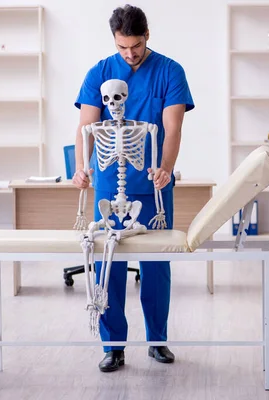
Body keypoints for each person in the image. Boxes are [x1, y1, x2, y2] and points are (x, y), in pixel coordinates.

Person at [72, 4, 194, 372]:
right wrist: (81, 168)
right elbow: (85, 128)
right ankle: (113, 347)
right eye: (123, 47)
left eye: (136, 46)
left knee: (156, 267)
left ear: (147, 37)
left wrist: (166, 169)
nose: (129, 54)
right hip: (109, 189)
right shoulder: (100, 72)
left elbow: (172, 129)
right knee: (109, 267)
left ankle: (157, 341)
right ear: (115, 41)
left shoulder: (170, 71)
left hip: (155, 189)